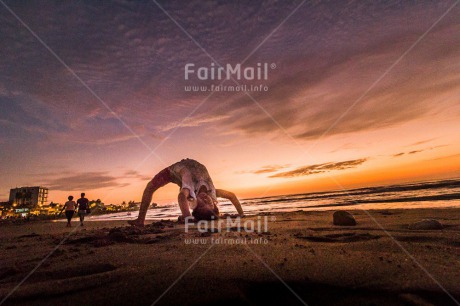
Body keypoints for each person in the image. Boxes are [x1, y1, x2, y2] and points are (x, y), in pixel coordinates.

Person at [128, 158, 244, 227]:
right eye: (209, 203)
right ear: (214, 203)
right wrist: (241, 214)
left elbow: (181, 197)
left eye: (202, 204)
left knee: (150, 187)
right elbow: (231, 196)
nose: (205, 199)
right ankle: (140, 220)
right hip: (188, 166)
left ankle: (140, 220)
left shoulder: (190, 191)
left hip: (173, 171)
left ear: (194, 203)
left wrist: (188, 217)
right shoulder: (213, 192)